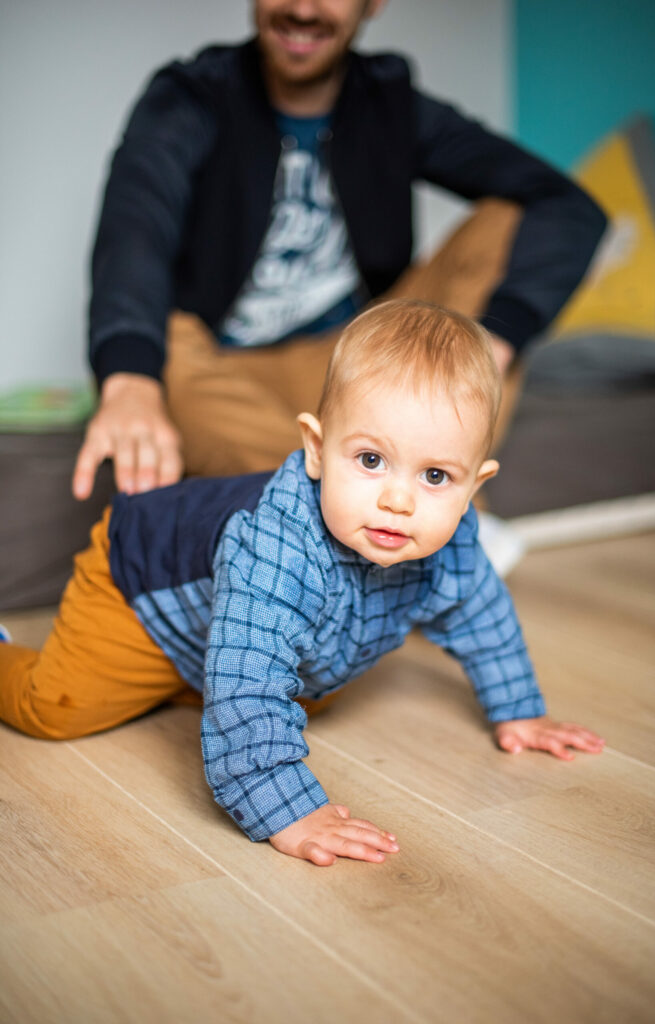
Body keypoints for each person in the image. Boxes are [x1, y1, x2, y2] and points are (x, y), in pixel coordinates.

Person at [2, 300, 605, 866]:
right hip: (136, 583)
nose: (398, 500)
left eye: (436, 475)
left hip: (231, 622)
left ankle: (197, 672)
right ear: (316, 450)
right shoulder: (275, 550)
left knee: (304, 683)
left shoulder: (452, 544)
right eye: (370, 460)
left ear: (474, 486)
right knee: (58, 708)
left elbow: (480, 615)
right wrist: (287, 811)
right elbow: (245, 691)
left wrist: (519, 709)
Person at [72, 0, 606, 504]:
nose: (304, 9)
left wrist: (496, 342)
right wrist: (129, 383)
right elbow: (133, 233)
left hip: (358, 361)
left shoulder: (392, 103)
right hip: (222, 371)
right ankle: (411, 523)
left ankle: (395, 504)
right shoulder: (190, 97)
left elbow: (569, 207)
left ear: (374, 2)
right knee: (162, 344)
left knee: (509, 221)